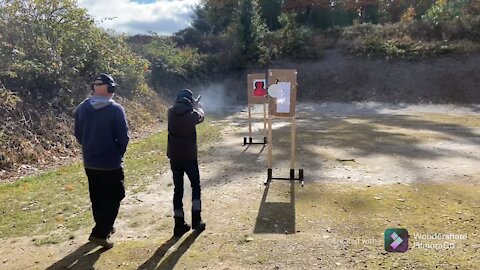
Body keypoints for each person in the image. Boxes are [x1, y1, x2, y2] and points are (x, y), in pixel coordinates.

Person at [74, 73, 129, 248]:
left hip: (90, 162)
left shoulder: (82, 108)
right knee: (115, 196)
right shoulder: (116, 109)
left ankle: (104, 226)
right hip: (110, 163)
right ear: (110, 89)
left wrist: (89, 146)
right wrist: (118, 153)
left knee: (97, 197)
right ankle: (99, 233)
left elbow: (78, 134)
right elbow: (124, 137)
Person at [167, 89, 206, 237]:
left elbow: (182, 112)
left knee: (178, 189)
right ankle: (196, 220)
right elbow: (201, 116)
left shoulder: (170, 112)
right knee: (195, 186)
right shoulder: (193, 114)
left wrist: (192, 107)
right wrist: (198, 107)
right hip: (189, 157)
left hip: (175, 157)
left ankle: (178, 224)